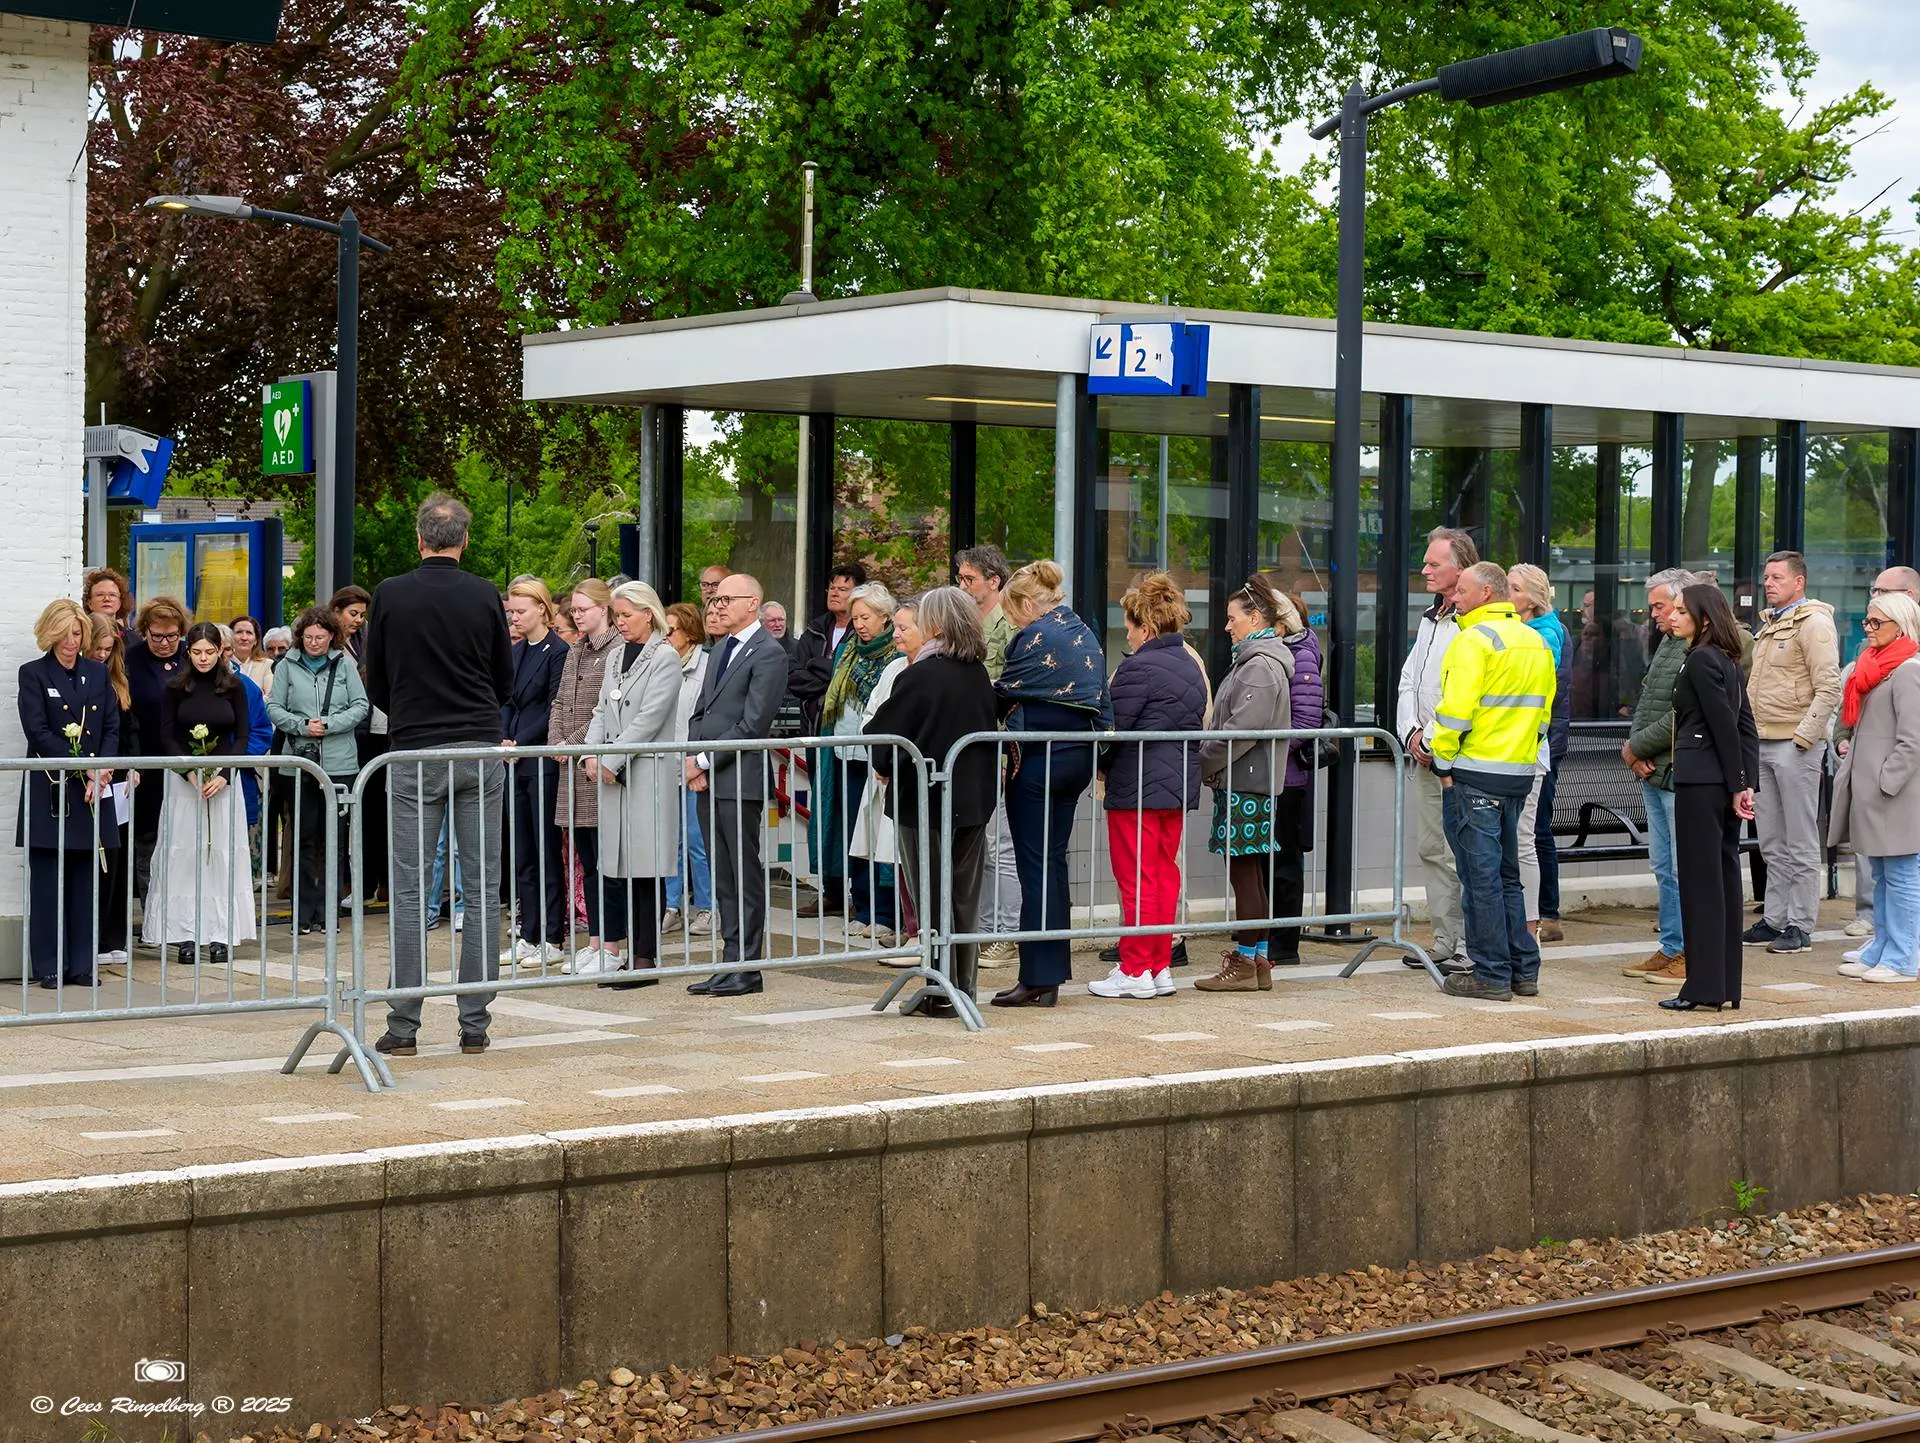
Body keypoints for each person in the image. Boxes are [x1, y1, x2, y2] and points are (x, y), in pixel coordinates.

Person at [362, 493, 513, 1058]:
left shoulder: (391, 594)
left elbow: (375, 676)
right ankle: (475, 1022)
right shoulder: (484, 595)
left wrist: (406, 710)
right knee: (480, 888)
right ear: (464, 540)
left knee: (408, 891)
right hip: (477, 746)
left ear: (419, 539)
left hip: (415, 750)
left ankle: (403, 1026)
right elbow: (504, 676)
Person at [1428, 561, 1557, 1002]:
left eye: (1461, 591)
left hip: (1474, 775)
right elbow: (1543, 717)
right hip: (1517, 775)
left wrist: (1442, 764)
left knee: (1479, 878)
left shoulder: (1473, 642)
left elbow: (1454, 714)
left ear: (1486, 593)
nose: (1454, 598)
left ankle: (1490, 974)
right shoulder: (1535, 641)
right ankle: (1524, 970)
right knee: (1507, 877)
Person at [868, 587, 999, 1018]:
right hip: (973, 800)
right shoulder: (976, 671)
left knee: (932, 898)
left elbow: (885, 734)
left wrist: (883, 763)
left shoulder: (922, 673)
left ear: (937, 625)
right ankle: (961, 987)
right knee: (963, 898)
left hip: (926, 802)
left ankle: (940, 989)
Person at [991, 560, 1111, 1007]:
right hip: (1075, 760)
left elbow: (1003, 692)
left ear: (1025, 603)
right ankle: (1051, 972)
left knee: (1035, 868)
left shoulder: (1036, 637)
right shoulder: (1085, 632)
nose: (1012, 623)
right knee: (1054, 863)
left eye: (1012, 614)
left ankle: (1039, 975)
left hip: (1037, 762)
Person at [1091, 573, 1206, 999]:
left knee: (1134, 876)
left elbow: (1113, 730)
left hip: (1136, 785)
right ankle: (1158, 965)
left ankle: (1136, 967)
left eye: (1131, 626)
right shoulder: (1190, 665)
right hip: (1175, 786)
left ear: (1147, 627)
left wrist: (1098, 765)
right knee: (1162, 874)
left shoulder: (1137, 667)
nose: (1128, 634)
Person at [685, 573, 791, 997]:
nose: (717, 605)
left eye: (727, 598)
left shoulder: (768, 652)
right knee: (722, 873)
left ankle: (748, 963)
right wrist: (694, 759)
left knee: (743, 870)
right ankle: (730, 960)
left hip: (739, 779)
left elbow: (754, 722)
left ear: (753, 603)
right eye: (715, 598)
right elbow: (700, 714)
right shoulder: (719, 649)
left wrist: (705, 759)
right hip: (709, 777)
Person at [1662, 584, 1760, 1011]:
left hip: (1700, 782)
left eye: (1682, 610)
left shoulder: (1701, 660)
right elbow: (1746, 727)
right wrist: (1743, 782)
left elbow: (1725, 724)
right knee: (1722, 881)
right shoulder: (1727, 660)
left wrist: (1740, 783)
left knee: (1702, 884)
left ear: (1703, 618)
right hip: (1719, 782)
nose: (1673, 616)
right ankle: (1724, 987)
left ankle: (1701, 989)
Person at [1196, 576, 1295, 993]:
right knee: (1249, 872)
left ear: (1255, 618)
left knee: (1244, 873)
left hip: (1245, 782)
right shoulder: (1258, 660)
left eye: (1233, 617)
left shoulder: (1259, 665)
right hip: (1248, 780)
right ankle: (1257, 962)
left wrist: (1204, 759)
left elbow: (1242, 729)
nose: (1227, 625)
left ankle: (1246, 962)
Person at [585, 581, 683, 990]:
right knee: (620, 867)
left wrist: (610, 758)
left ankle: (646, 955)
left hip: (646, 774)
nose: (620, 623)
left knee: (646, 867)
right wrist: (589, 753)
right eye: (617, 615)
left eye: (626, 615)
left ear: (648, 613)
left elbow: (650, 718)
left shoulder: (665, 657)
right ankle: (627, 953)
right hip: (614, 776)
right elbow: (601, 708)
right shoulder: (613, 658)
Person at [1743, 550, 1842, 956]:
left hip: (1793, 745)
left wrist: (1804, 738)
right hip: (1763, 743)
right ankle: (1776, 917)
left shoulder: (1814, 623)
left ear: (1798, 582)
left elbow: (1829, 686)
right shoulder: (1770, 625)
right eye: (1766, 576)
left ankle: (1800, 924)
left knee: (1800, 839)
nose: (1769, 583)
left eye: (1777, 577)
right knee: (1771, 839)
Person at [17, 600, 119, 988]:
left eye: (77, 633)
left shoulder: (96, 672)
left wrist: (102, 770)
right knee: (47, 882)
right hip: (52, 789)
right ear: (50, 633)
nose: (71, 641)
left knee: (86, 880)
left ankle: (82, 964)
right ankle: (49, 965)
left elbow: (111, 725)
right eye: (64, 633)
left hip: (94, 789)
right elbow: (37, 731)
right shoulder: (33, 674)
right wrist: (83, 767)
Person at [145, 621, 255, 966]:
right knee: (186, 855)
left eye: (209, 652)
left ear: (220, 651)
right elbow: (166, 735)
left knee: (220, 854)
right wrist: (187, 770)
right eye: (197, 653)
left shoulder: (234, 686)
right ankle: (186, 934)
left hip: (222, 783)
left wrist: (223, 774)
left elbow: (241, 735)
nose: (204, 658)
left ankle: (221, 933)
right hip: (185, 782)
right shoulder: (175, 687)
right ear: (188, 653)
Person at [1397, 527, 1476, 972]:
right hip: (1425, 751)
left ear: (1460, 568)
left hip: (1459, 756)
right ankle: (1445, 940)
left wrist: (1435, 738)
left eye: (1434, 563)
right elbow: (1409, 680)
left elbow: (1465, 693)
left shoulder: (1472, 624)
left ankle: (1467, 942)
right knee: (1431, 847)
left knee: (1460, 849)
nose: (1424, 569)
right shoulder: (1431, 618)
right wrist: (1411, 732)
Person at [1831, 592, 1920, 984]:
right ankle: (1884, 948)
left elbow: (1912, 740)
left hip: (1896, 796)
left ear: (1899, 626)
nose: (1867, 629)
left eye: (1876, 623)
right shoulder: (1878, 667)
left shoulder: (1907, 671)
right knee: (1884, 875)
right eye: (1867, 622)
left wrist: (1888, 781)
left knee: (1901, 875)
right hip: (1876, 793)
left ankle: (1903, 958)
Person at [267, 606, 369, 934]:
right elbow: (274, 706)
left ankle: (329, 912)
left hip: (339, 762)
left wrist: (328, 725)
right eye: (309, 637)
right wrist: (300, 726)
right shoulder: (287, 665)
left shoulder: (344, 664)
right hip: (299, 761)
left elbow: (360, 706)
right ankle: (303, 911)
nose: (314, 643)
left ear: (331, 637)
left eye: (320, 637)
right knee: (302, 837)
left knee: (334, 840)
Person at [819, 581, 904, 941]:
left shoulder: (896, 657)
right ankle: (863, 906)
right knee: (855, 837)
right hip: (844, 752)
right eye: (855, 618)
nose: (859, 624)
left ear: (885, 617)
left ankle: (885, 911)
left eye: (866, 617)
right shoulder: (848, 650)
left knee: (881, 836)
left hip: (877, 760)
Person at [1620, 569, 1692, 983]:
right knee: (1663, 867)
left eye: (1661, 606)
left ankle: (1688, 951)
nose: (1654, 615)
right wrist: (1635, 754)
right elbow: (1648, 701)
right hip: (1652, 770)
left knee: (1683, 868)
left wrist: (1636, 748)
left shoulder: (1698, 648)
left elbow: (1680, 714)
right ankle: (1670, 946)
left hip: (1676, 772)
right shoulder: (1667, 643)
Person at [549, 579, 622, 973]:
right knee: (585, 858)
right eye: (573, 611)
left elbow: (601, 709)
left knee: (602, 860)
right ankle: (593, 940)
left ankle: (610, 942)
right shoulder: (575, 649)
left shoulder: (615, 648)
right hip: (570, 769)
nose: (577, 616)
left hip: (592, 766)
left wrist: (571, 744)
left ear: (602, 608)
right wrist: (555, 740)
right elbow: (560, 699)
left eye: (582, 609)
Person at [954, 544, 1021, 967]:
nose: (962, 585)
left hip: (1000, 748)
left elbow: (1007, 687)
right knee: (983, 847)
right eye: (960, 579)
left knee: (1002, 847)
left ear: (994, 581)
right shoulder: (969, 623)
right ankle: (986, 928)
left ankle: (1007, 933)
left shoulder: (1008, 625)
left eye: (969, 579)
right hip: (974, 748)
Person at [499, 576, 570, 967]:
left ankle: (552, 936)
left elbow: (553, 705)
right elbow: (506, 699)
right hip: (516, 758)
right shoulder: (515, 652)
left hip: (541, 759)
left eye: (520, 611)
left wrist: (521, 741)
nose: (515, 618)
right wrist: (506, 738)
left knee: (545, 850)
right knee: (522, 851)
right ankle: (529, 933)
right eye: (511, 611)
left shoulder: (557, 651)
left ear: (542, 609)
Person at [789, 562, 866, 918]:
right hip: (818, 729)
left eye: (844, 588)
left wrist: (824, 672)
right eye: (832, 587)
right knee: (825, 813)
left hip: (850, 739)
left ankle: (861, 895)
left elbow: (846, 677)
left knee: (852, 814)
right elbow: (794, 676)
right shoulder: (815, 630)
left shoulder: (862, 631)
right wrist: (827, 674)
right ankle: (832, 891)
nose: (834, 593)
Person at [1507, 564, 1570, 941]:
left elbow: (1547, 695)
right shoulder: (1525, 630)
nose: (1507, 595)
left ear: (1532, 598)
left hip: (1536, 746)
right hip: (1525, 744)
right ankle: (1536, 916)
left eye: (1514, 589)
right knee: (1529, 833)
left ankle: (1543, 916)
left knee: (1532, 833)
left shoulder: (1545, 635)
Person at [123, 595, 188, 904]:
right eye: (157, 636)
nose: (165, 642)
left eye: (172, 636)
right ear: (144, 630)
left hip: (185, 760)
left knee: (181, 835)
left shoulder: (192, 657)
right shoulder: (130, 659)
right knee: (147, 835)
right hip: (145, 758)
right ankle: (151, 907)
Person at [1270, 589, 1321, 967]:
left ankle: (1285, 943)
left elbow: (1304, 721)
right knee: (1265, 859)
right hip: (1269, 773)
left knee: (1285, 859)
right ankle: (1268, 933)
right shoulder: (1283, 653)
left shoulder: (1300, 656)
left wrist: (1260, 747)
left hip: (1286, 776)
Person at [660, 601, 715, 939]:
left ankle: (708, 907)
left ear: (689, 632)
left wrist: (699, 762)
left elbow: (707, 720)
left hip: (693, 765)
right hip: (665, 764)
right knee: (670, 842)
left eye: (671, 630)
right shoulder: (662, 665)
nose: (665, 636)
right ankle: (672, 906)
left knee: (697, 841)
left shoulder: (707, 667)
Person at [86, 613, 136, 967]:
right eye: (97, 648)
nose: (102, 655)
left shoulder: (118, 680)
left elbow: (129, 728)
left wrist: (132, 766)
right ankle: (90, 935)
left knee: (115, 858)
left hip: (116, 780)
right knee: (92, 859)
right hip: (90, 777)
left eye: (108, 649)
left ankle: (113, 935)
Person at [330, 583, 386, 903]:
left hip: (372, 731)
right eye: (353, 614)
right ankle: (350, 882)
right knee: (347, 816)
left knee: (372, 811)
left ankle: (371, 881)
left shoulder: (365, 639)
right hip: (346, 734)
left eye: (362, 615)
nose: (358, 621)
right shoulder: (328, 644)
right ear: (336, 611)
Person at [230, 615, 273, 694]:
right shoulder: (223, 664)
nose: (244, 637)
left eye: (249, 633)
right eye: (239, 632)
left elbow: (270, 697)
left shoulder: (267, 665)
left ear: (256, 640)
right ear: (229, 637)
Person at [83, 567, 133, 635]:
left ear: (120, 602)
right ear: (89, 603)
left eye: (112, 595)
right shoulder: (81, 637)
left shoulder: (134, 640)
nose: (106, 599)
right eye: (100, 594)